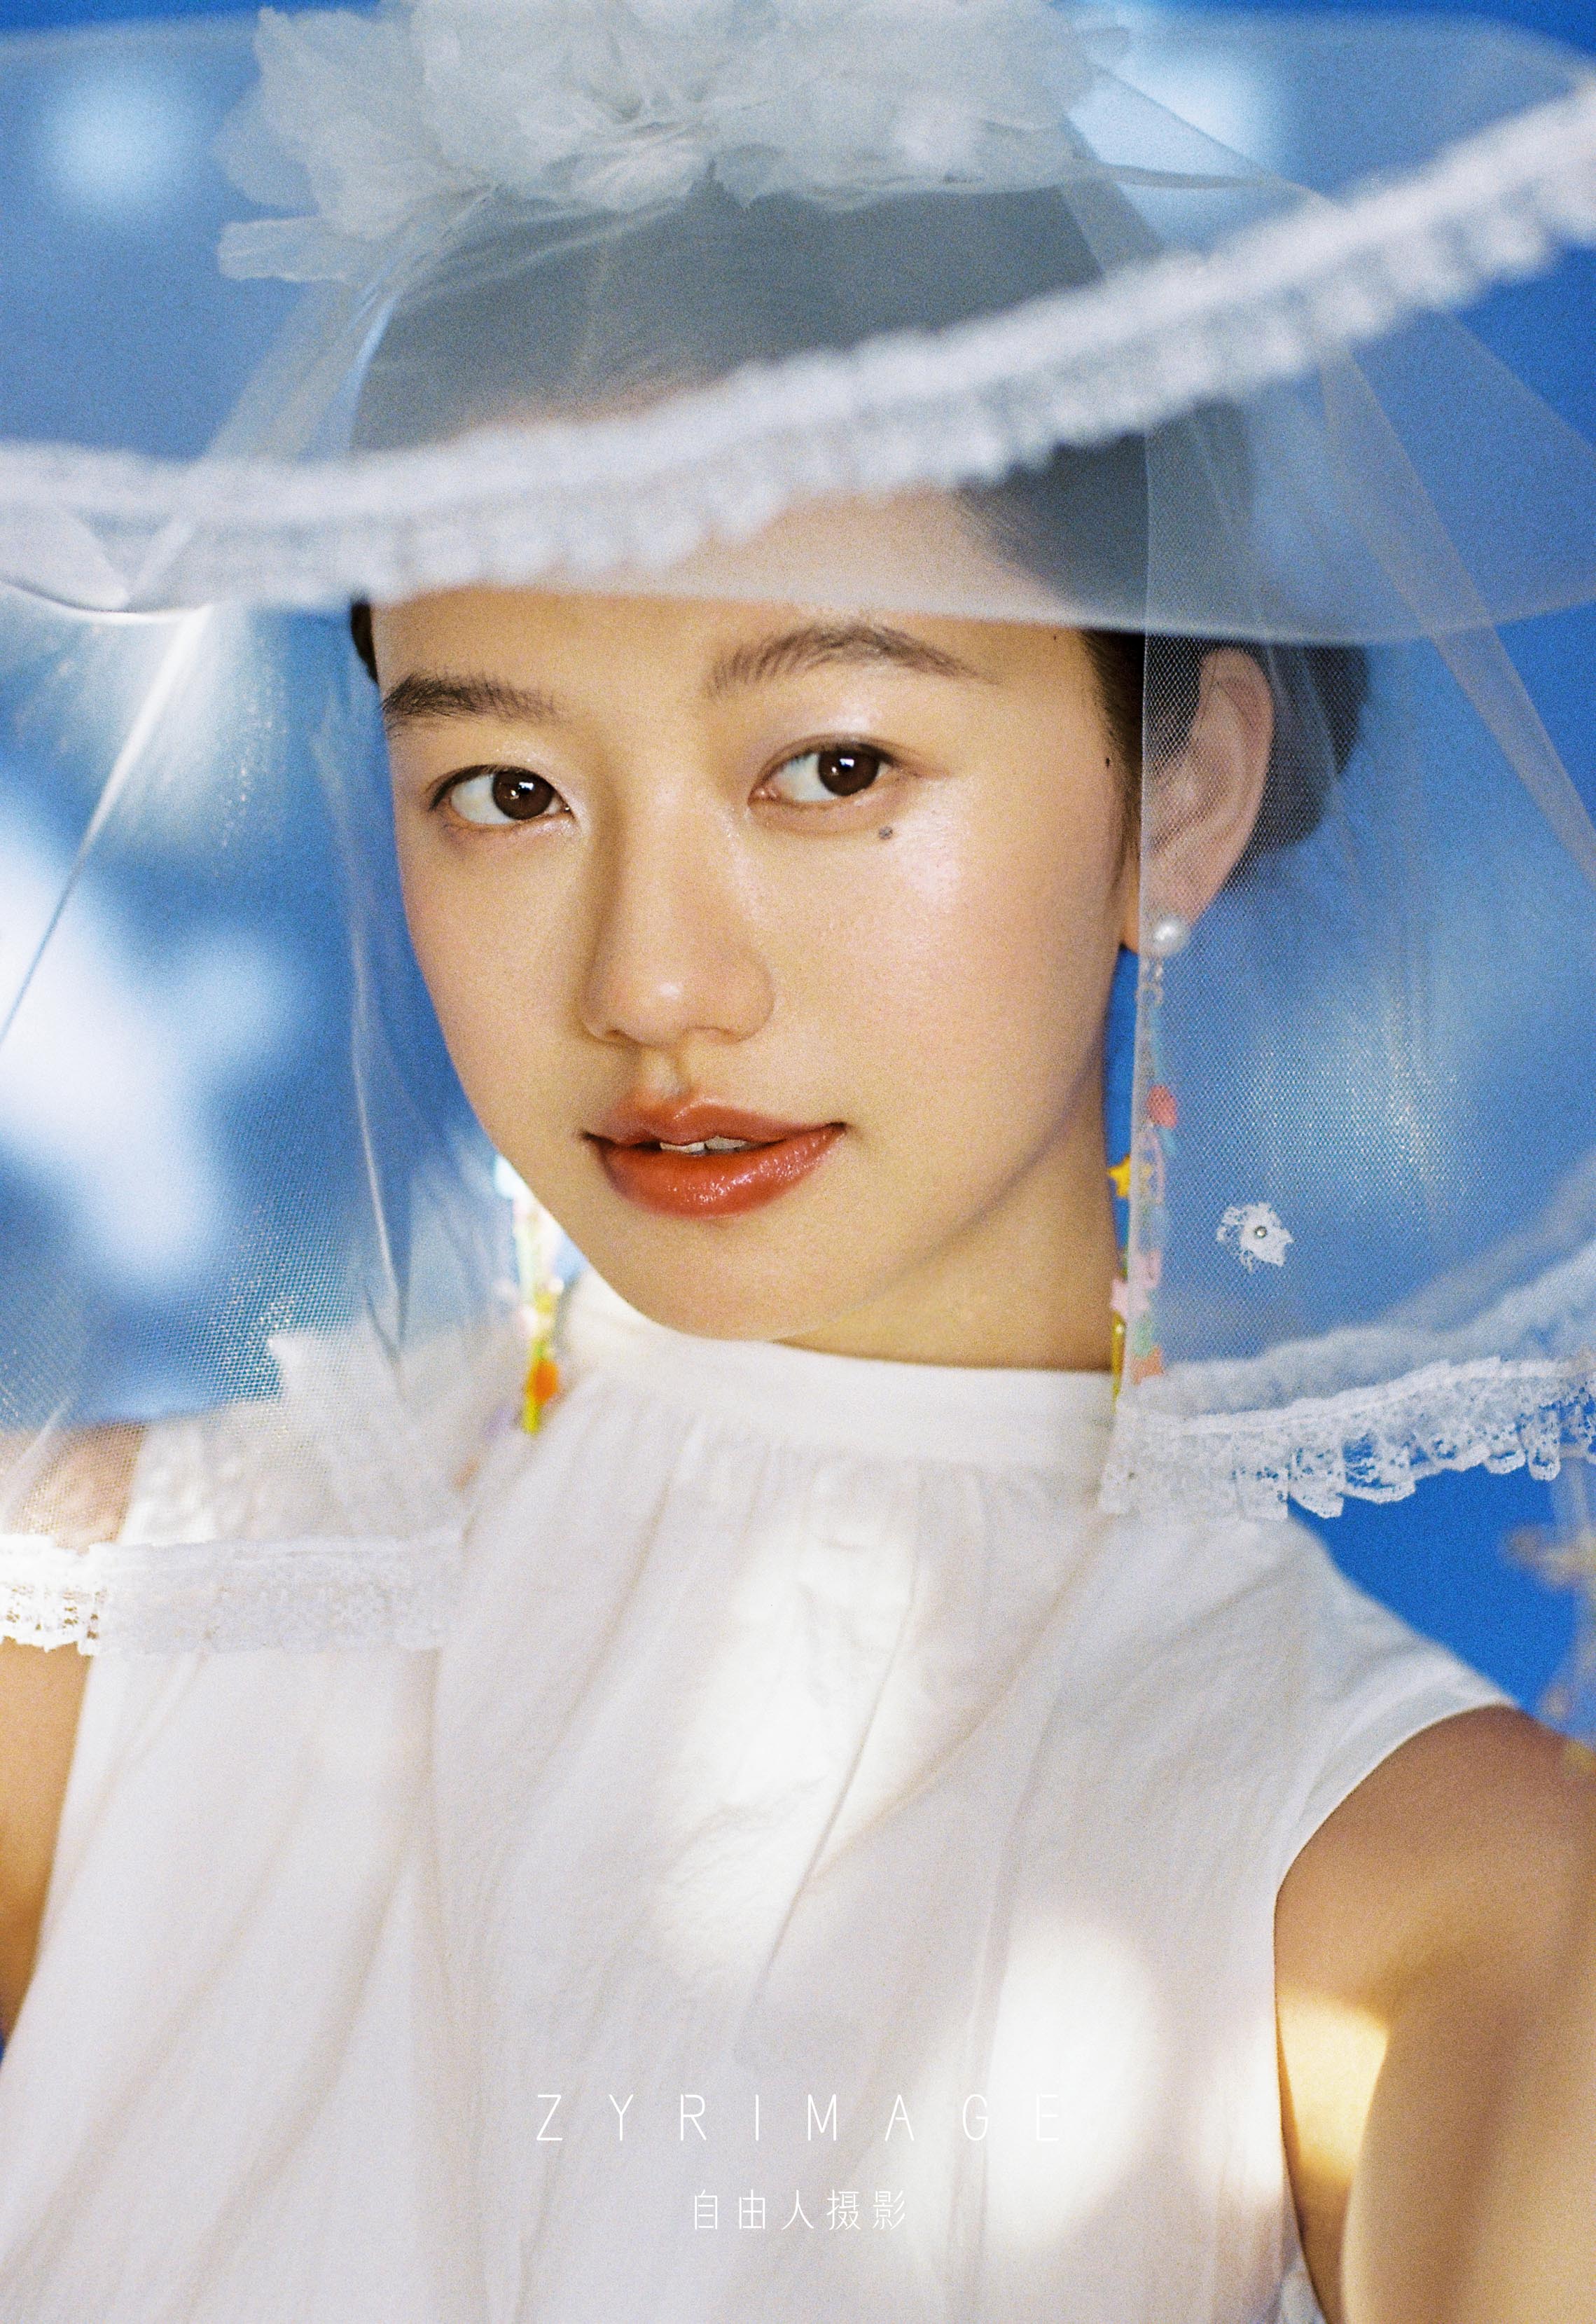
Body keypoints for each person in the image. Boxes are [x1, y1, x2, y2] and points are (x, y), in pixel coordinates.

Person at [4, 3, 1596, 2317]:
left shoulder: (1414, 1881)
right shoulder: (93, 1631)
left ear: (1179, 789)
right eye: (505, 791)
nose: (654, 981)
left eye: (834, 768)